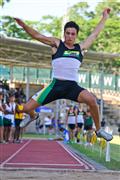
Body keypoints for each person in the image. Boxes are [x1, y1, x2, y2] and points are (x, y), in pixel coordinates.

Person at [14, 8, 113, 141]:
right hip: (55, 86)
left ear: (76, 35)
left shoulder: (80, 48)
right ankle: (33, 116)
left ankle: (99, 130)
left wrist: (105, 17)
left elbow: (94, 34)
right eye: (68, 33)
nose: (70, 36)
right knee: (24, 108)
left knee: (92, 100)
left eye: (73, 34)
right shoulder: (56, 44)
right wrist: (24, 26)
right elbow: (38, 36)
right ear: (64, 33)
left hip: (72, 87)